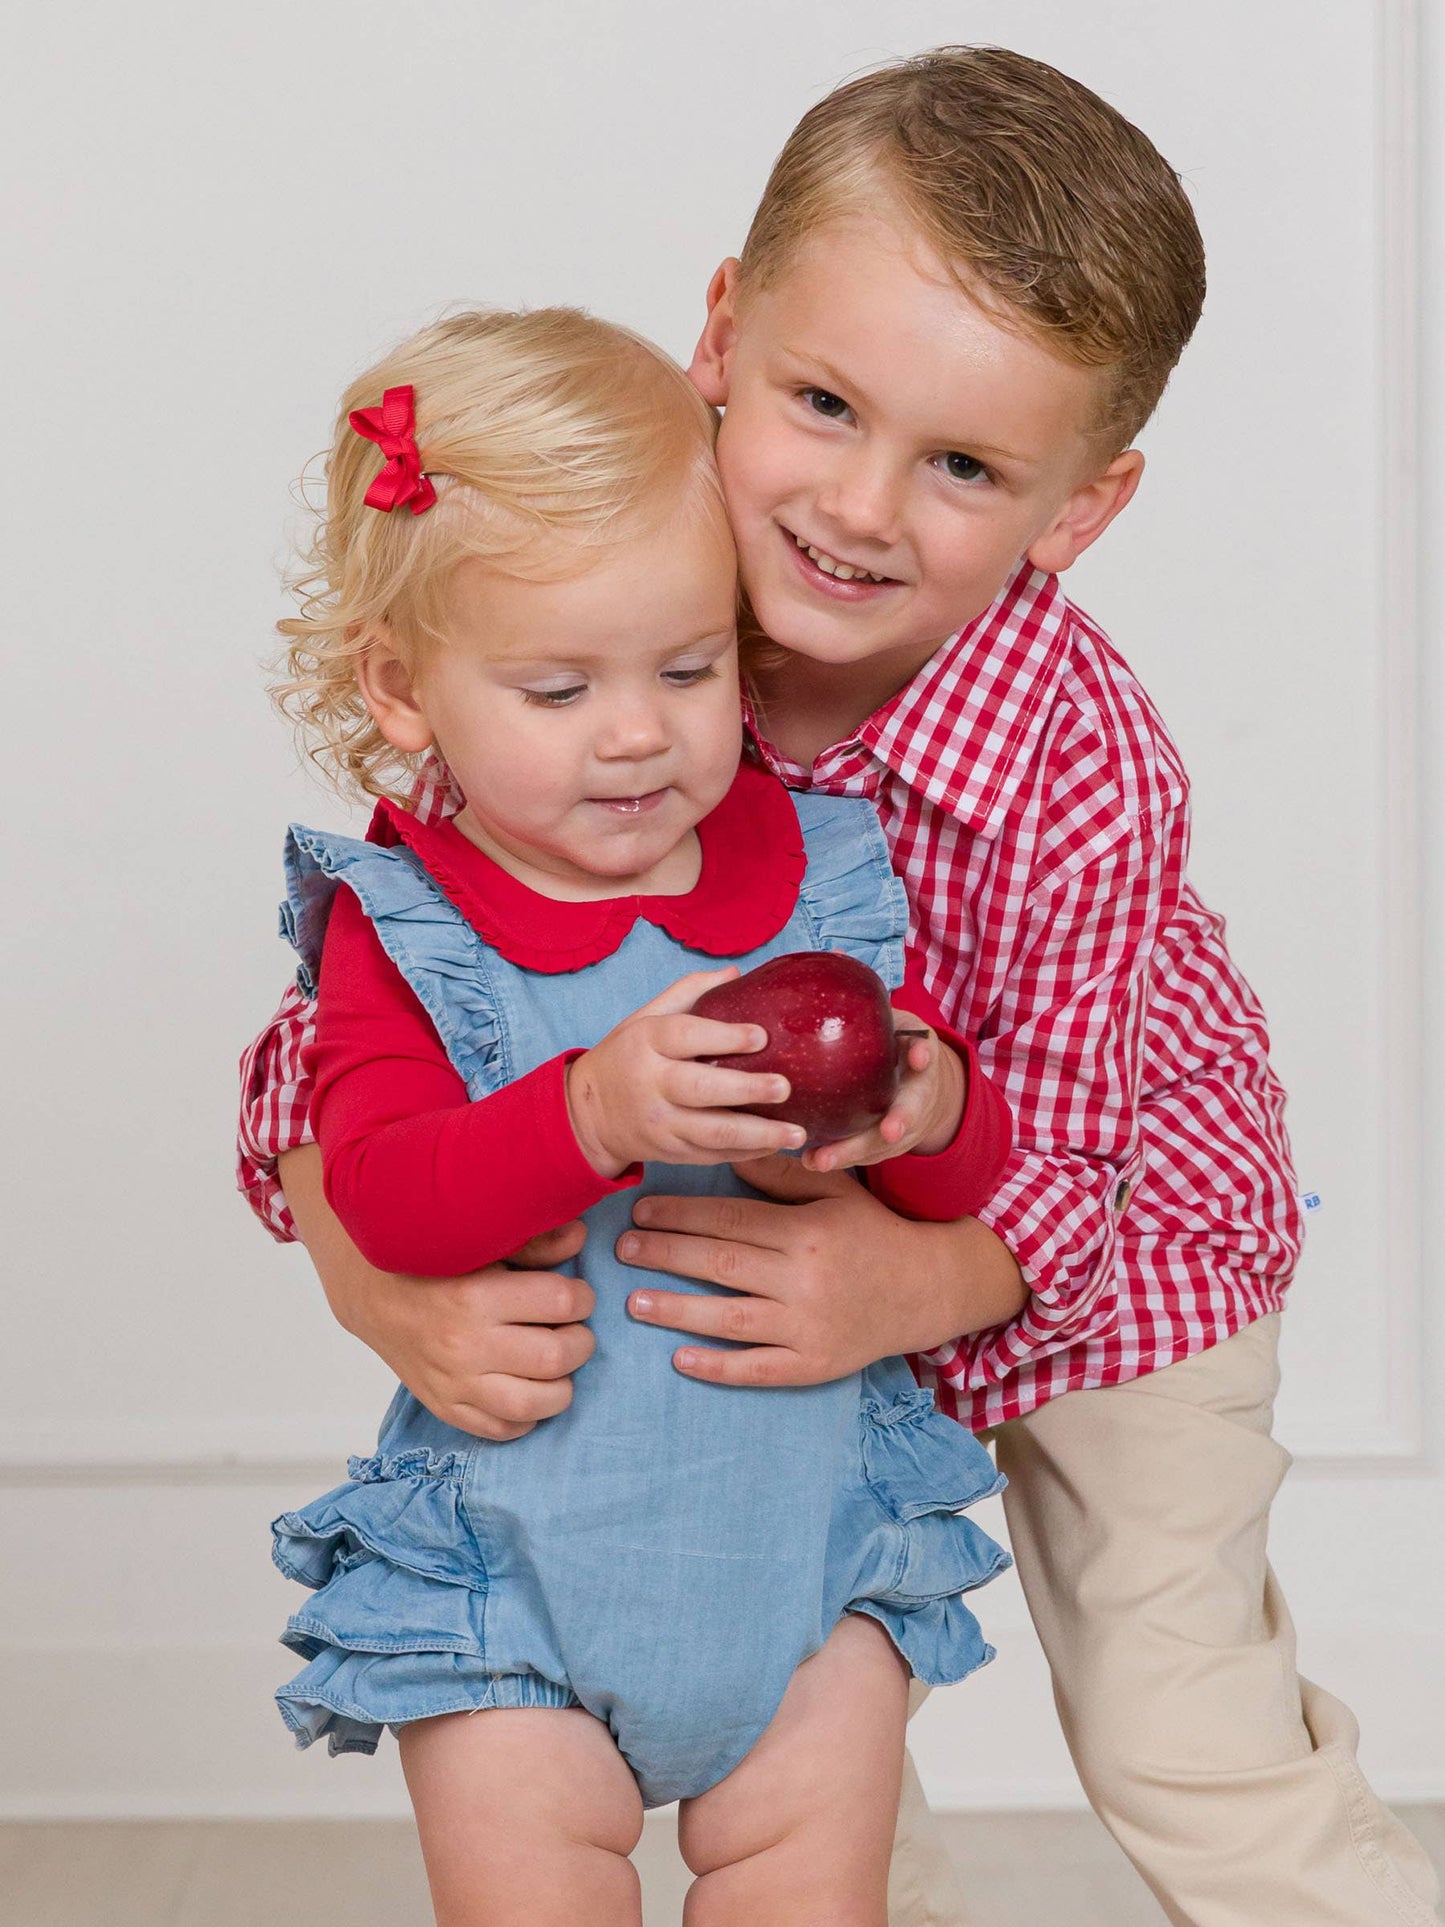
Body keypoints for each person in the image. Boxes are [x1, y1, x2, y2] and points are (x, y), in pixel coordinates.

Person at [240, 47, 1444, 1927]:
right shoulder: (589, 622)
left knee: (1179, 1728)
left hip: (1108, 1264)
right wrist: (357, 1251)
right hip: (758, 1283)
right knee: (806, 1742)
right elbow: (385, 998)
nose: (861, 508)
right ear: (724, 328)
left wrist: (922, 1276)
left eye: (962, 465)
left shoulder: (1077, 758)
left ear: (1077, 505)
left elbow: (1077, 1157)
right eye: (823, 402)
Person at [264, 306, 1013, 1927]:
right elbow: (387, 1198)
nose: (636, 730)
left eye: (687, 668)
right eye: (557, 686)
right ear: (404, 691)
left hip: (805, 1578)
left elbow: (966, 1180)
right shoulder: (403, 932)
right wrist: (590, 1107)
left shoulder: (818, 871)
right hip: (517, 1599)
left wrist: (930, 1104)